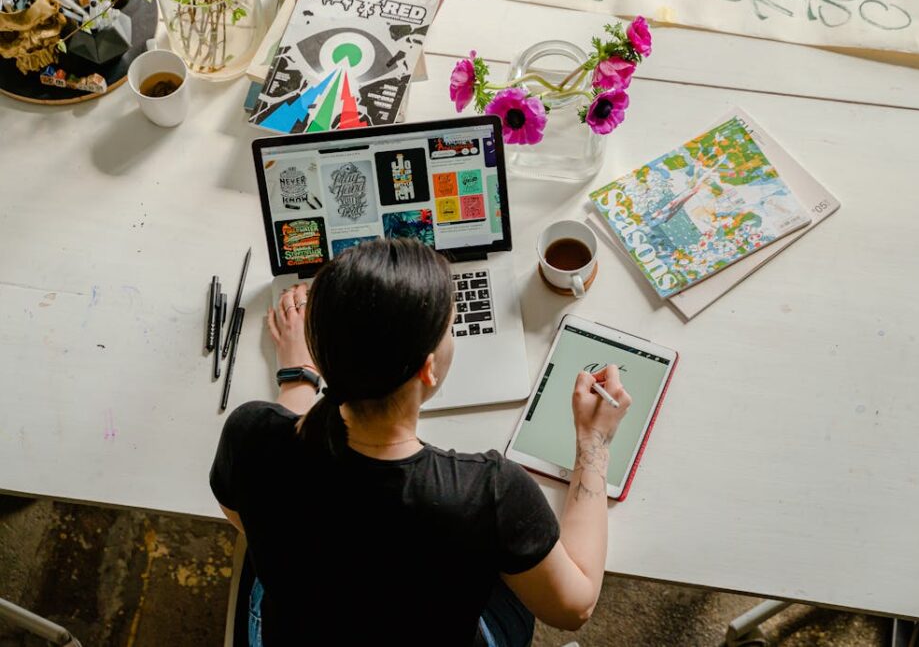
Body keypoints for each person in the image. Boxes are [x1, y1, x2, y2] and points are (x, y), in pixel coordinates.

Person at [210, 238, 633, 646]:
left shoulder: (250, 434)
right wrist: (593, 440)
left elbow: (244, 515)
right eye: (451, 327)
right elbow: (574, 608)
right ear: (428, 370)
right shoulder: (488, 493)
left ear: (323, 354)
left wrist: (297, 373)